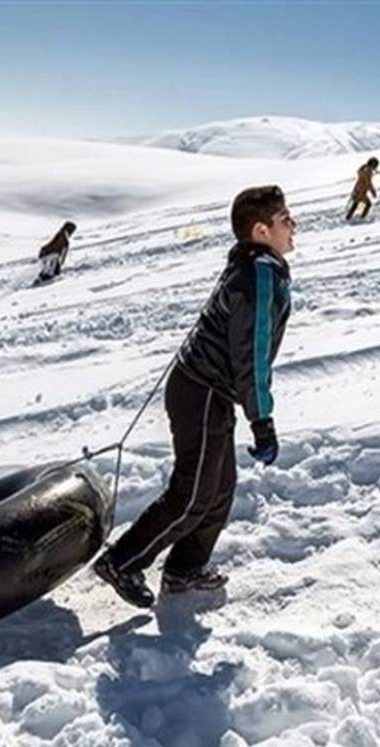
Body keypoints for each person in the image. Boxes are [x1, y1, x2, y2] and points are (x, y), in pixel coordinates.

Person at [93, 186, 294, 607]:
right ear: (261, 230)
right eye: (285, 220)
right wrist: (262, 420)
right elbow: (251, 356)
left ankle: (185, 569)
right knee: (194, 492)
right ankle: (122, 561)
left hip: (208, 391)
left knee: (220, 488)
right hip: (200, 391)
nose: (293, 227)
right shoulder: (257, 276)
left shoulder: (259, 267)